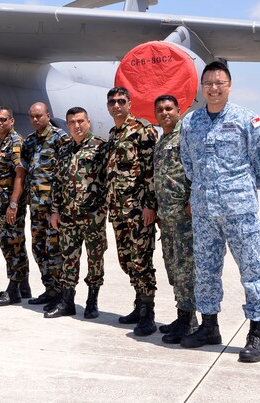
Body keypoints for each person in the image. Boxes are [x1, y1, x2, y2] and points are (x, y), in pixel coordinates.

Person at [179, 61, 260, 363]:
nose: (214, 88)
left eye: (219, 82)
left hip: (239, 212)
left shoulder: (247, 120)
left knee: (252, 272)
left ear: (229, 86)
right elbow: (188, 163)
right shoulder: (190, 122)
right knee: (205, 271)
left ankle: (257, 334)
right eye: (208, 83)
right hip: (204, 212)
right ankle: (209, 327)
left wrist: (238, 189)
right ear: (202, 87)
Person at [45, 107, 108, 319]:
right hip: (68, 216)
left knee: (95, 258)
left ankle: (92, 301)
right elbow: (57, 182)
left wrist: (103, 207)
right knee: (68, 258)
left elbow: (108, 179)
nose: (77, 126)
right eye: (72, 122)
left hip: (93, 216)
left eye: (80, 121)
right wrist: (55, 211)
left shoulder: (100, 146)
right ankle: (67, 302)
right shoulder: (64, 149)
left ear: (88, 122)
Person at [105, 87, 159, 336]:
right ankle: (139, 304)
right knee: (126, 260)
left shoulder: (142, 130)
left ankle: (148, 313)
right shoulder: (113, 134)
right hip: (118, 210)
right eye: (112, 102)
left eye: (120, 101)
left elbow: (151, 170)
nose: (116, 105)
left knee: (141, 260)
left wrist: (150, 205)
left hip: (138, 210)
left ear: (129, 103)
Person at [152, 95, 198, 343]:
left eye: (169, 108)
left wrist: (192, 201)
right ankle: (182, 315)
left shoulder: (186, 136)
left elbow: (197, 170)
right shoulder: (162, 141)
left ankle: (189, 321)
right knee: (173, 268)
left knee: (185, 270)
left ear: (179, 110)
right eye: (160, 109)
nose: (165, 113)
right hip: (167, 218)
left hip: (184, 217)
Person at [22, 102, 69, 308]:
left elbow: (65, 174)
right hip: (36, 208)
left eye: (39, 116)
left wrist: (59, 207)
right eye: (32, 116)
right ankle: (49, 289)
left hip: (53, 209)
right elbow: (25, 172)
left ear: (48, 116)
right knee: (39, 249)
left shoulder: (60, 138)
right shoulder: (30, 141)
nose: (35, 119)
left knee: (55, 251)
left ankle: (61, 293)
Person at [0, 106, 31, 306]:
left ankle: (13, 289)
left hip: (10, 206)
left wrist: (13, 205)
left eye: (3, 119)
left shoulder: (15, 142)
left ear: (11, 121)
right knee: (14, 244)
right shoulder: (3, 142)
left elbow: (20, 174)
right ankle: (24, 286)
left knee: (11, 245)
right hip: (2, 206)